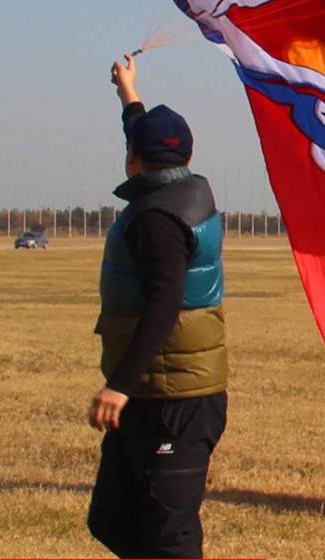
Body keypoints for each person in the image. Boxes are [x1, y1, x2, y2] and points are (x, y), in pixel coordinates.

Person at [87, 53, 228, 559]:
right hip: (160, 391)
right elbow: (144, 137)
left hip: (176, 401)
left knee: (169, 536)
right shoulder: (182, 191)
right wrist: (128, 92)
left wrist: (118, 386)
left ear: (133, 160)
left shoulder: (156, 220)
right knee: (113, 518)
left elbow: (165, 302)